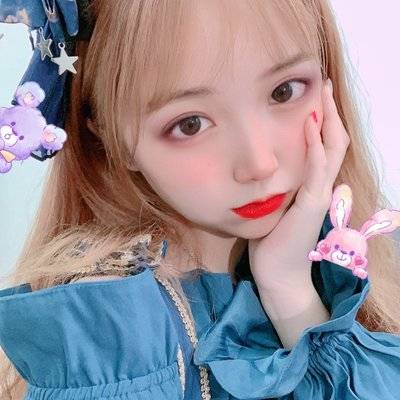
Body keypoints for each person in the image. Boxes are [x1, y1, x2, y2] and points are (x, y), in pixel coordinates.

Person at [0, 0, 400, 398]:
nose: (259, 163)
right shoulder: (114, 333)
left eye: (284, 91)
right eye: (190, 124)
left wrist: (289, 289)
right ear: (108, 135)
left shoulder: (358, 256)